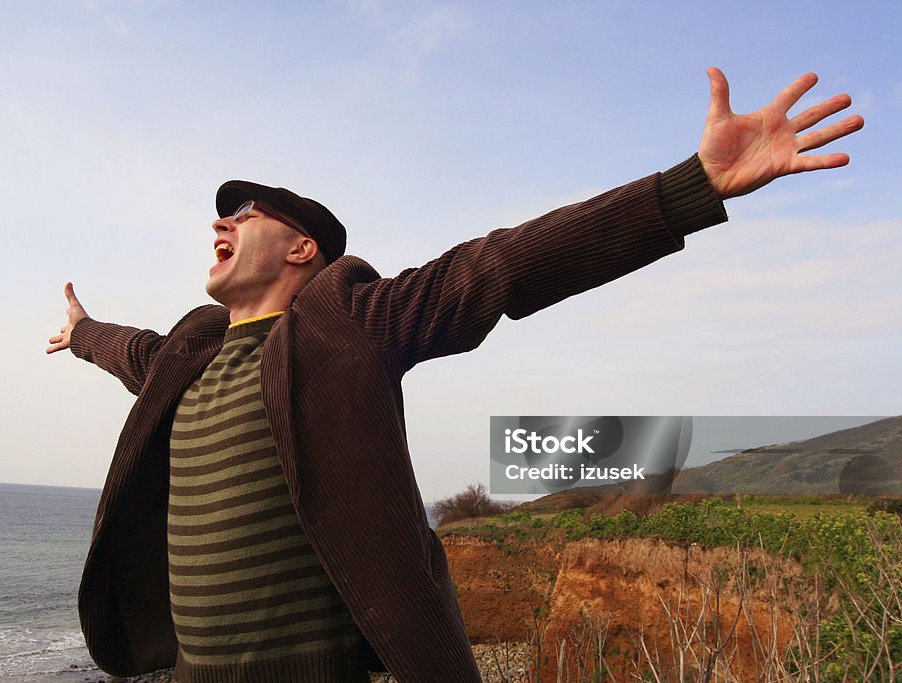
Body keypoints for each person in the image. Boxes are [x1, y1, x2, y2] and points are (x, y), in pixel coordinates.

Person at [46, 68, 863, 682]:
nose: (221, 221)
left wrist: (690, 189)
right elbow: (131, 349)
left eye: (246, 213)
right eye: (223, 213)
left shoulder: (346, 323)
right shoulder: (186, 354)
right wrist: (84, 332)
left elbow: (502, 265)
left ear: (303, 250)